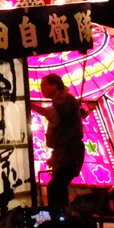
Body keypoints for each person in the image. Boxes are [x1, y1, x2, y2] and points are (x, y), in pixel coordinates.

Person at [31, 73, 85, 209]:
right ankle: (62, 218)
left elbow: (54, 115)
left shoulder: (66, 99)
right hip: (64, 151)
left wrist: (31, 105)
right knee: (58, 187)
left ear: (55, 85)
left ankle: (59, 220)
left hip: (69, 151)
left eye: (44, 85)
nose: (41, 88)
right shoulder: (62, 100)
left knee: (55, 187)